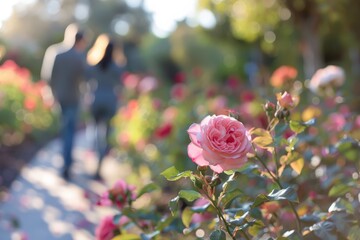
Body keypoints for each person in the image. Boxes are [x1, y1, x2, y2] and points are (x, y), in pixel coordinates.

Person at [41, 23, 87, 180]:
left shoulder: (54, 52)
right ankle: (67, 165)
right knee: (69, 133)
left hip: (59, 97)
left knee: (63, 131)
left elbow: (47, 77)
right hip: (73, 98)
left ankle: (64, 163)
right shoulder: (80, 56)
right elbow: (85, 79)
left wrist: (51, 95)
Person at [86, 34, 125, 179]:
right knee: (106, 136)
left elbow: (87, 82)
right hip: (110, 101)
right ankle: (98, 167)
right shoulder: (117, 67)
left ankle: (93, 153)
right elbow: (121, 86)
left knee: (95, 130)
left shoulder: (94, 65)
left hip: (96, 99)